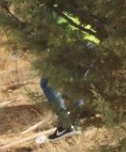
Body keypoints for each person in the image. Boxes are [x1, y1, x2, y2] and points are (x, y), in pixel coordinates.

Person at [39, 12, 99, 142]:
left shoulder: (52, 5)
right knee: (77, 85)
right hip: (92, 44)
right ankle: (73, 125)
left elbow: (54, 31)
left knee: (47, 82)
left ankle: (66, 124)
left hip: (74, 44)